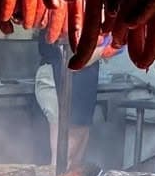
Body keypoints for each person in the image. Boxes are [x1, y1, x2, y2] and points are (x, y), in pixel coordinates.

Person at [33, 34, 103, 168]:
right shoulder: (62, 21)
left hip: (83, 82)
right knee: (64, 158)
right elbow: (73, 58)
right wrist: (107, 47)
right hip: (59, 75)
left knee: (75, 159)